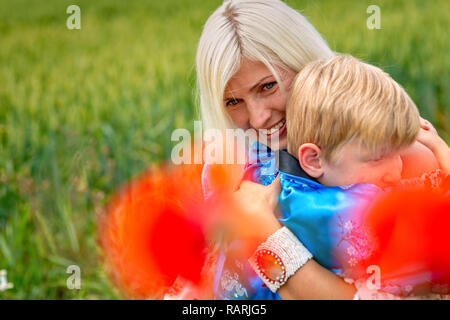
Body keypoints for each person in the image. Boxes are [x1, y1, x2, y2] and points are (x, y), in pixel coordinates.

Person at [190, 0, 443, 300]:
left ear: (303, 62)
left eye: (267, 86)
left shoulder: (389, 155)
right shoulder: (234, 167)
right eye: (233, 102)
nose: (258, 118)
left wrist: (266, 233)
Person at [246, 55, 449, 298]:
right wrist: (440, 150)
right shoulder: (341, 210)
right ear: (313, 159)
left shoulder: (301, 189)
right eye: (377, 158)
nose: (395, 172)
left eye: (399, 154)